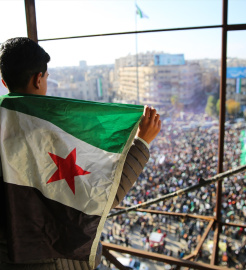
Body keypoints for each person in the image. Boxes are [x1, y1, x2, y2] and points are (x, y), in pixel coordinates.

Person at [0, 37, 161, 269]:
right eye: (46, 77)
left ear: (5, 82)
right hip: (51, 260)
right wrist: (142, 143)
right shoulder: (52, 135)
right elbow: (104, 195)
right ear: (38, 79)